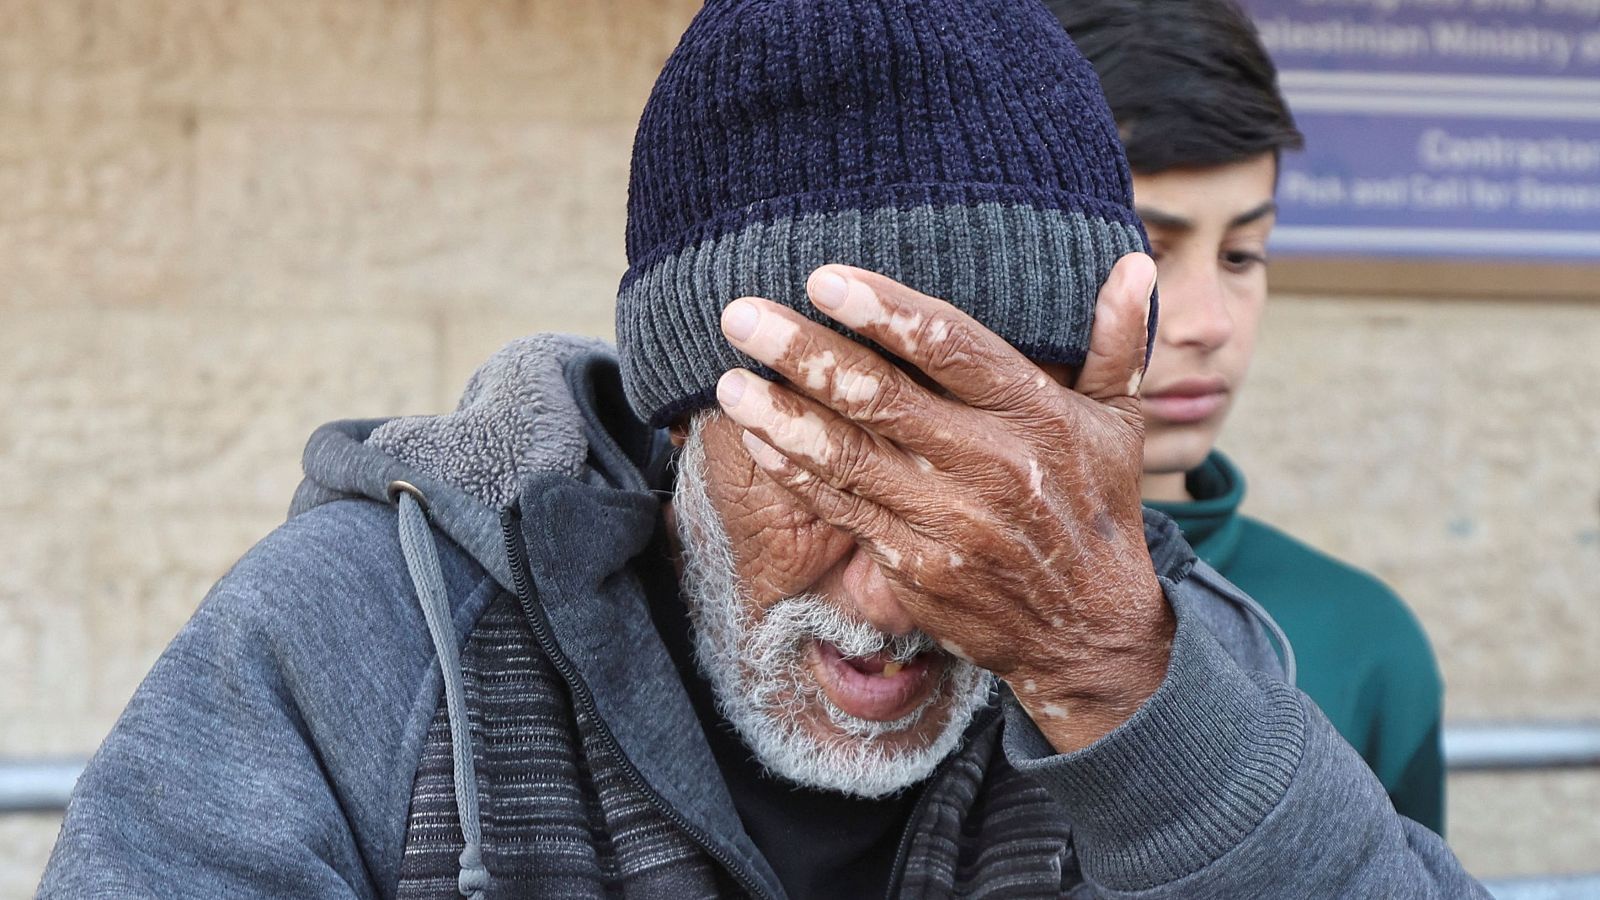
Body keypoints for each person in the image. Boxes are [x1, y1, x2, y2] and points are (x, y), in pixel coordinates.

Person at [42, 1, 1483, 897]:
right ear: (684, 420)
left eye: (994, 477)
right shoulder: (362, 637)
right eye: (839, 459)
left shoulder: (1178, 663)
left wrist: (1119, 683)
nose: (909, 585)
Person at [1048, 0, 1447, 833]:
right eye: (1146, 250)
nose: (1209, 322)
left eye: (1241, 254)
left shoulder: (1365, 640)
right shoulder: (881, 608)